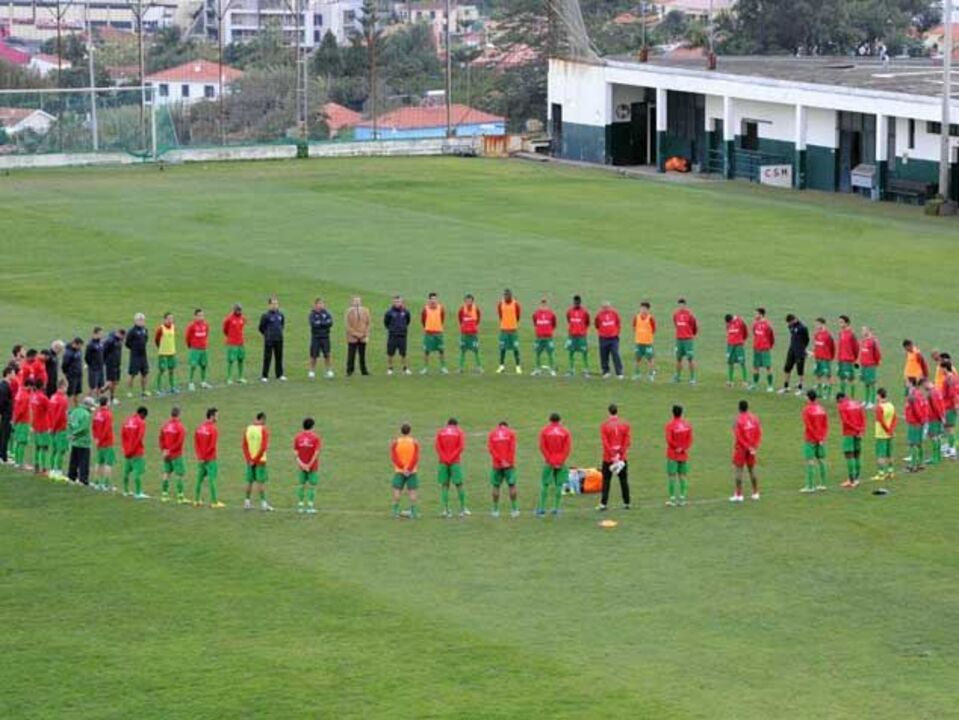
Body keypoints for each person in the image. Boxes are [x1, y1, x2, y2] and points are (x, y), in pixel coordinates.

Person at [597, 403, 631, 511]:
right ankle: (627, 502)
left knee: (606, 481)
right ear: (617, 411)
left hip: (608, 458)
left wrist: (612, 454)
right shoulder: (625, 424)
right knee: (623, 480)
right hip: (621, 458)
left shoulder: (604, 425)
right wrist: (620, 454)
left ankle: (603, 504)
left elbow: (605, 442)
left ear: (608, 412)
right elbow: (627, 441)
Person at [537, 413, 571, 517]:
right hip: (561, 462)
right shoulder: (565, 432)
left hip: (549, 462)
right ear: (560, 420)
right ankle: (556, 509)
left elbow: (542, 447)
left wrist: (550, 460)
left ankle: (542, 509)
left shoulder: (545, 431)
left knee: (545, 484)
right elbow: (567, 448)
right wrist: (561, 461)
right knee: (559, 485)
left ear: (550, 420)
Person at [435, 418, 469, 517]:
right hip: (455, 462)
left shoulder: (440, 432)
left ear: (447, 424)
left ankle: (446, 510)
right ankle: (462, 509)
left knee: (445, 485)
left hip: (443, 462)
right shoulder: (459, 432)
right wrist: (451, 457)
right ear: (456, 425)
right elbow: (461, 447)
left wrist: (445, 457)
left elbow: (437, 447)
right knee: (459, 484)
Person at [730, 400, 762, 502]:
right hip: (751, 448)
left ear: (739, 408)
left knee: (739, 470)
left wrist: (747, 446)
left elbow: (738, 436)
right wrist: (754, 446)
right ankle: (755, 492)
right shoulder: (754, 418)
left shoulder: (738, 420)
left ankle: (739, 495)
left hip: (741, 448)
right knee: (752, 469)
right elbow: (758, 432)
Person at [487, 421, 519, 518]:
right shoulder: (511, 433)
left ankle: (495, 510)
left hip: (497, 465)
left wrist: (500, 461)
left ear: (498, 426)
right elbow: (512, 449)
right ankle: (514, 510)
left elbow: (491, 449)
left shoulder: (492, 434)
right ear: (507, 426)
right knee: (512, 486)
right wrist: (506, 461)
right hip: (509, 465)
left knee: (496, 487)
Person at [194, 407, 224, 508]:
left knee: (199, 479)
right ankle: (214, 502)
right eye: (217, 415)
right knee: (212, 479)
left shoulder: (199, 428)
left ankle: (196, 500)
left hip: (201, 459)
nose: (218, 417)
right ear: (212, 416)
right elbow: (211, 446)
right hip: (210, 459)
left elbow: (196, 443)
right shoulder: (213, 429)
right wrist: (205, 457)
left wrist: (200, 456)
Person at [242, 411, 273, 511]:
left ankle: (247, 502)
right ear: (262, 419)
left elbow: (244, 445)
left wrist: (249, 459)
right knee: (260, 482)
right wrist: (255, 460)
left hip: (249, 460)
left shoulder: (248, 429)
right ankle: (263, 504)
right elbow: (263, 447)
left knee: (249, 481)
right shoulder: (263, 430)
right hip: (260, 460)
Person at [801, 390, 829, 492]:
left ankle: (810, 486)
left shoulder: (806, 410)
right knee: (821, 460)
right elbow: (825, 425)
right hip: (821, 439)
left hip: (811, 438)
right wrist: (822, 437)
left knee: (810, 461)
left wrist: (816, 437)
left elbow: (809, 426)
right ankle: (823, 484)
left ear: (808, 398)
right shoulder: (821, 409)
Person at [836, 392, 866, 488]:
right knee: (857, 455)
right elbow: (863, 417)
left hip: (849, 433)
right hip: (858, 432)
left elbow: (845, 421)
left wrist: (856, 429)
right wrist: (861, 430)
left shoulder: (842, 406)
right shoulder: (857, 404)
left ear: (840, 399)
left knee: (849, 455)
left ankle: (851, 480)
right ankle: (857, 479)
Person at [390, 423, 420, 518]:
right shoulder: (414, 442)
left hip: (399, 471)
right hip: (412, 471)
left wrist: (403, 467)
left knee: (397, 490)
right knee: (412, 491)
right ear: (410, 431)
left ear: (401, 431)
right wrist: (409, 468)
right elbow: (416, 457)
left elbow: (394, 457)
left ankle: (395, 511)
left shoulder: (396, 442)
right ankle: (413, 512)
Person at [159, 406, 188, 504]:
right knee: (179, 475)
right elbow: (179, 442)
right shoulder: (180, 427)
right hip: (176, 454)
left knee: (166, 473)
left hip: (166, 454)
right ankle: (180, 497)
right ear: (179, 414)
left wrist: (164, 450)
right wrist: (171, 450)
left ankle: (164, 495)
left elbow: (161, 439)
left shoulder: (165, 426)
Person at [665, 404, 693, 506]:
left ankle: (672, 499)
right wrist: (683, 448)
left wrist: (676, 447)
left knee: (672, 476)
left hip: (673, 453)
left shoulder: (670, 425)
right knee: (682, 476)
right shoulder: (687, 425)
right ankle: (682, 499)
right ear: (682, 412)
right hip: (683, 454)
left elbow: (669, 439)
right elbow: (690, 439)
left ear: (672, 413)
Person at [294, 417, 322, 514]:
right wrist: (309, 464)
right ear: (312, 426)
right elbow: (316, 453)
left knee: (301, 485)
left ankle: (300, 506)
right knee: (312, 486)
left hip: (301, 466)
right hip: (312, 466)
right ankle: (310, 506)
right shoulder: (315, 438)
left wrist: (302, 464)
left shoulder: (298, 437)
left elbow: (295, 453)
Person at [121, 406, 150, 499]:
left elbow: (123, 435)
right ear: (143, 414)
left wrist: (126, 449)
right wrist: (132, 449)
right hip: (136, 451)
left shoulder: (127, 421)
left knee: (126, 471)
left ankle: (125, 490)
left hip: (127, 451)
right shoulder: (141, 422)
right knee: (137, 471)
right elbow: (139, 437)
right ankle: (138, 492)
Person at [66, 397, 95, 486]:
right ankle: (83, 480)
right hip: (84, 442)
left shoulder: (75, 411)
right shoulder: (86, 414)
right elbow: (84, 428)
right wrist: (76, 434)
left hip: (74, 442)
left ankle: (71, 477)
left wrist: (71, 434)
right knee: (84, 462)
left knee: (73, 460)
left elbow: (69, 422)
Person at [259, 296, 287, 382]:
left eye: (276, 303)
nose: (275, 305)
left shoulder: (281, 315)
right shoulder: (265, 316)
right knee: (267, 357)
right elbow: (261, 327)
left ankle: (279, 374)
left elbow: (282, 325)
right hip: (269, 339)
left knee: (279, 357)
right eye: (273, 304)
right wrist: (267, 334)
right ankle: (264, 375)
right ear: (269, 305)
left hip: (279, 339)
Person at [781, 314, 810, 396]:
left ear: (794, 319)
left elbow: (807, 339)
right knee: (787, 368)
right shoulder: (790, 326)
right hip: (791, 350)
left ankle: (800, 388)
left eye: (790, 322)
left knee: (800, 370)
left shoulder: (803, 328)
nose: (789, 324)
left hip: (800, 352)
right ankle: (786, 387)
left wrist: (802, 348)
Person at [872, 388, 897, 481]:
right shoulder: (891, 405)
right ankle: (891, 472)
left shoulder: (880, 407)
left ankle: (881, 474)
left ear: (879, 395)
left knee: (880, 455)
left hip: (881, 435)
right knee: (889, 454)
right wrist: (891, 430)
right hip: (890, 435)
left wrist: (887, 430)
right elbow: (895, 419)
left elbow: (881, 421)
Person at [420, 292, 448, 374]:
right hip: (428, 333)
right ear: (429, 300)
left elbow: (442, 319)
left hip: (438, 333)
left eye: (435, 299)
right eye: (431, 299)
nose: (433, 300)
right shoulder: (425, 309)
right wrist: (428, 327)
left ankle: (443, 367)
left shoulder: (441, 308)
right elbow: (423, 320)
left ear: (437, 299)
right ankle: (425, 368)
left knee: (441, 350)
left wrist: (438, 327)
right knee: (426, 351)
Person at [91, 396, 116, 492]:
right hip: (107, 442)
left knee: (99, 462)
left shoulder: (97, 413)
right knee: (108, 464)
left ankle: (96, 483)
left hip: (98, 442)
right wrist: (101, 439)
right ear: (107, 403)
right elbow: (107, 429)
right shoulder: (108, 414)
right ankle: (106, 484)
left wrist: (96, 439)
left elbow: (93, 427)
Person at [904, 381, 928, 472]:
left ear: (912, 384)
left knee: (913, 444)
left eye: (907, 383)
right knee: (919, 443)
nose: (906, 385)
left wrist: (919, 420)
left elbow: (916, 410)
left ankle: (913, 466)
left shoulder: (913, 396)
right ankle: (921, 464)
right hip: (920, 422)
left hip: (914, 423)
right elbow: (924, 408)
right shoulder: (920, 395)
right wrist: (923, 420)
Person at [496, 289, 523, 374]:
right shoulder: (500, 304)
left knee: (515, 348)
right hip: (504, 330)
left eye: (508, 295)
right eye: (505, 295)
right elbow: (500, 316)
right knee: (502, 348)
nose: (506, 297)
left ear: (511, 295)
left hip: (513, 330)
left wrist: (513, 323)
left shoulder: (516, 304)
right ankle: (501, 366)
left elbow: (518, 316)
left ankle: (518, 366)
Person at [595, 301, 624, 379]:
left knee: (615, 353)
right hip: (603, 338)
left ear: (610, 307)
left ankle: (619, 372)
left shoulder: (614, 314)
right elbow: (597, 325)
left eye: (607, 307)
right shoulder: (599, 315)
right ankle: (605, 371)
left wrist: (617, 332)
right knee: (604, 354)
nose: (606, 309)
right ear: (602, 308)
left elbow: (618, 323)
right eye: (604, 307)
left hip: (613, 338)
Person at [383, 296, 412, 375]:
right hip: (392, 336)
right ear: (393, 302)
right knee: (390, 353)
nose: (397, 303)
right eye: (395, 301)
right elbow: (386, 323)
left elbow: (408, 321)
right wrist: (392, 329)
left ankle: (405, 368)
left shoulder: (406, 312)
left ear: (402, 302)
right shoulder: (389, 312)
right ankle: (390, 368)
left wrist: (403, 329)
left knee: (403, 353)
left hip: (402, 336)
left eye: (399, 301)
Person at [47, 379, 69, 480]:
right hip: (60, 428)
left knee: (54, 450)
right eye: (66, 387)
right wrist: (54, 427)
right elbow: (59, 415)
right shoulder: (63, 399)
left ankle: (51, 470)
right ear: (63, 386)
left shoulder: (52, 397)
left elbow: (50, 413)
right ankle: (58, 471)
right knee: (60, 450)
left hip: (52, 427)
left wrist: (50, 427)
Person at [185, 308, 212, 391]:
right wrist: (190, 346)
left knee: (204, 365)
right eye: (199, 316)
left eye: (202, 315)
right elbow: (187, 337)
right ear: (195, 316)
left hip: (203, 349)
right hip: (195, 349)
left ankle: (203, 382)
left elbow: (206, 335)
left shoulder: (206, 325)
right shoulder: (192, 326)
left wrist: (204, 344)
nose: (201, 317)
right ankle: (191, 382)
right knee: (193, 365)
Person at [308, 298, 335, 379]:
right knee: (314, 355)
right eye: (319, 304)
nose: (321, 305)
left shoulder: (327, 313)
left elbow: (330, 323)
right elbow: (314, 324)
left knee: (327, 354)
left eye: (322, 304)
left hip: (325, 337)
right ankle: (312, 371)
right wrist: (324, 323)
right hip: (316, 337)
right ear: (315, 305)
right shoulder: (312, 314)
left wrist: (321, 323)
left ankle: (329, 371)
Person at [630, 301, 656, 381]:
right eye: (641, 308)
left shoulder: (650, 318)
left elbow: (654, 329)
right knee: (637, 358)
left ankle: (651, 374)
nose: (643, 310)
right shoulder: (636, 317)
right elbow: (634, 327)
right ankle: (637, 373)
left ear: (648, 310)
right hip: (639, 342)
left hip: (648, 343)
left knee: (650, 359)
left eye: (645, 309)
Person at [125, 313, 150, 398]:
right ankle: (129, 391)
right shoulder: (132, 331)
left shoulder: (145, 330)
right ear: (135, 321)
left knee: (145, 373)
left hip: (143, 355)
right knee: (132, 373)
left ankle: (144, 390)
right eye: (139, 320)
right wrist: (134, 348)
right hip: (135, 355)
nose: (141, 321)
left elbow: (146, 339)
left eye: (142, 320)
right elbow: (127, 343)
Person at [345, 296, 371, 377]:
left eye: (358, 301)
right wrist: (356, 334)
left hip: (363, 337)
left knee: (362, 355)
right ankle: (350, 370)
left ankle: (364, 370)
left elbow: (368, 323)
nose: (357, 303)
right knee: (351, 355)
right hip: (353, 337)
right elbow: (348, 325)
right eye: (355, 301)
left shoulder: (366, 311)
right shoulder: (349, 312)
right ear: (352, 302)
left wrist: (365, 334)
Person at [531, 297, 558, 376]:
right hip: (539, 337)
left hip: (548, 338)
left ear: (547, 305)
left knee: (550, 353)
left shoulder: (551, 314)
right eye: (542, 303)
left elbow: (554, 324)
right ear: (540, 305)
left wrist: (548, 331)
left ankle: (552, 369)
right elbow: (535, 323)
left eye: (545, 303)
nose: (543, 305)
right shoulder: (536, 314)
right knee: (537, 353)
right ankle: (537, 369)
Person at [751, 307, 775, 392]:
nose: (755, 315)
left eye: (756, 314)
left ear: (761, 314)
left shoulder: (767, 325)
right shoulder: (755, 324)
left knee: (768, 367)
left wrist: (768, 345)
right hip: (756, 348)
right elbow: (755, 334)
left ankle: (770, 385)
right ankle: (755, 384)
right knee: (755, 366)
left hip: (765, 349)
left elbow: (771, 337)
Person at [565, 295, 591, 376]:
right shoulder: (569, 312)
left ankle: (586, 370)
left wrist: (582, 330)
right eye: (575, 302)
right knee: (571, 353)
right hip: (572, 336)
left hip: (581, 337)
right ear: (573, 302)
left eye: (578, 302)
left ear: (580, 302)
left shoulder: (585, 312)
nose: (576, 304)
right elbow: (569, 321)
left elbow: (587, 323)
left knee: (584, 353)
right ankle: (571, 370)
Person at [457, 293, 483, 373]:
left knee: (476, 351)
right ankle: (460, 368)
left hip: (473, 335)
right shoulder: (462, 309)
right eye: (467, 300)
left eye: (470, 300)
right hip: (464, 335)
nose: (468, 302)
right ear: (465, 301)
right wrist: (464, 327)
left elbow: (478, 318)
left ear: (472, 301)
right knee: (462, 351)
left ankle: (479, 367)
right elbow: (460, 319)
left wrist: (474, 327)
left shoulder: (476, 309)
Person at [29, 378, 50, 475]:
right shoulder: (43, 398)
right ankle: (44, 468)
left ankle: (36, 466)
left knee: (37, 447)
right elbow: (49, 410)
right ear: (42, 386)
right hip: (44, 425)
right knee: (44, 447)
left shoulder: (33, 397)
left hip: (35, 425)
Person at [153, 312, 178, 395]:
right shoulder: (161, 328)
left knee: (171, 370)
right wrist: (161, 348)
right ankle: (158, 388)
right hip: (163, 353)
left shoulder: (173, 327)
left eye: (172, 318)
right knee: (161, 370)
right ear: (165, 319)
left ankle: (172, 387)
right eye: (169, 318)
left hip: (172, 352)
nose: (171, 320)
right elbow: (156, 339)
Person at [810, 318, 836, 399]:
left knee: (828, 376)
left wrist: (830, 357)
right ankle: (819, 392)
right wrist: (814, 354)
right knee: (818, 375)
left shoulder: (828, 335)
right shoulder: (816, 334)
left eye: (817, 324)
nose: (816, 326)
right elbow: (816, 346)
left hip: (825, 359)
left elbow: (832, 347)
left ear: (822, 324)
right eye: (816, 324)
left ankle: (829, 393)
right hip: (818, 359)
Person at [223, 303, 248, 384]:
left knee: (241, 359)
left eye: (240, 310)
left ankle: (240, 377)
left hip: (241, 342)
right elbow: (225, 329)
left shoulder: (243, 318)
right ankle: (229, 378)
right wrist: (230, 337)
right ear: (234, 310)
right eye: (237, 310)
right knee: (231, 360)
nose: (239, 311)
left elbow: (242, 327)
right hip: (232, 343)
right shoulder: (229, 319)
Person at [836, 315, 860, 398]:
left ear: (847, 323)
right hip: (841, 360)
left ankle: (851, 397)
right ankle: (842, 397)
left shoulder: (851, 334)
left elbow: (856, 347)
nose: (840, 324)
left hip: (848, 360)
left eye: (842, 322)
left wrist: (855, 359)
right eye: (839, 322)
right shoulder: (840, 333)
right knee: (841, 378)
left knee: (850, 379)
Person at [11, 376, 32, 468]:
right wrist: (17, 420)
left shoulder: (20, 393)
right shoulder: (25, 396)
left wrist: (14, 420)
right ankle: (20, 462)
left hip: (18, 421)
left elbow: (16, 409)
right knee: (22, 442)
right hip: (23, 421)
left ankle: (16, 461)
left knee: (18, 442)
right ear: (29, 386)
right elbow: (21, 411)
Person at [939, 359, 958, 459]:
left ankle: (952, 450)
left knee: (949, 429)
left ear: (945, 368)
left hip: (949, 407)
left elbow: (953, 394)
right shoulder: (951, 377)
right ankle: (948, 448)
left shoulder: (949, 379)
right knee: (946, 429)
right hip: (947, 406)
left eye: (941, 368)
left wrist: (955, 406)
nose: (940, 370)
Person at [859, 326, 882, 408]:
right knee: (865, 383)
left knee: (871, 383)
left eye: (864, 330)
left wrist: (876, 362)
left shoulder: (873, 341)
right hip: (863, 365)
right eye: (862, 330)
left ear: (869, 331)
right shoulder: (863, 341)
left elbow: (877, 353)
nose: (862, 332)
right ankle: (866, 400)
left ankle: (872, 402)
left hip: (870, 365)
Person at [924, 380, 946, 466]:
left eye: (925, 385)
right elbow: (941, 405)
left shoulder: (931, 394)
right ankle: (938, 456)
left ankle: (935, 458)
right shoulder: (937, 391)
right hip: (938, 418)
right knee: (938, 436)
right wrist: (942, 416)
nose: (924, 387)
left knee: (933, 437)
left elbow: (936, 406)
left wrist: (941, 417)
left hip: (933, 418)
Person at [724, 313, 749, 387]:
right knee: (730, 362)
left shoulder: (740, 322)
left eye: (729, 322)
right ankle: (730, 381)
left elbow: (745, 332)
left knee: (742, 362)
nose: (728, 324)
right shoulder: (728, 324)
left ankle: (745, 381)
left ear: (731, 319)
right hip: (730, 346)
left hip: (739, 345)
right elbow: (728, 332)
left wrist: (741, 340)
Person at [102, 327, 125, 405]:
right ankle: (110, 398)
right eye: (122, 336)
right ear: (118, 333)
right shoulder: (110, 340)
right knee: (111, 381)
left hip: (117, 363)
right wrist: (104, 361)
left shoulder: (119, 340)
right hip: (111, 364)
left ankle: (103, 389)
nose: (123, 338)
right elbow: (104, 351)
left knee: (116, 381)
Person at [62, 337, 84, 407]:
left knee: (77, 392)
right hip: (72, 375)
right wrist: (66, 373)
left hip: (78, 374)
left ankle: (76, 407)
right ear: (75, 344)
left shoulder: (78, 350)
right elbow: (64, 365)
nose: (80, 347)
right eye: (80, 345)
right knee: (70, 393)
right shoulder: (68, 353)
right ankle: (66, 409)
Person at [85, 327, 105, 399]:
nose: (102, 335)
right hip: (93, 368)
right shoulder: (90, 344)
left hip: (100, 368)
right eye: (100, 333)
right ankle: (88, 401)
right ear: (95, 334)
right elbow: (87, 357)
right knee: (92, 387)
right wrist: (92, 364)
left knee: (100, 386)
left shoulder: (100, 343)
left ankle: (98, 400)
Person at [0, 366, 13, 465]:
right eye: (12, 373)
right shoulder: (4, 386)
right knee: (5, 435)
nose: (14, 375)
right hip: (5, 415)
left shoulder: (4, 385)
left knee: (5, 435)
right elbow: (2, 402)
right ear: (8, 373)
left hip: (5, 414)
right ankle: (3, 457)